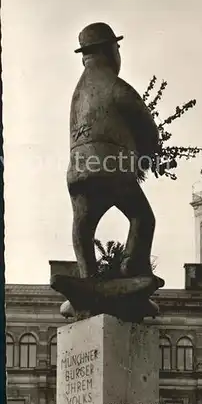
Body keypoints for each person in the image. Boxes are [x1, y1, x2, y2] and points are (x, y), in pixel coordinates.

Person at [67, 22, 160, 280]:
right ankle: (132, 264)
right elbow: (146, 124)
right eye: (116, 47)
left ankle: (88, 276)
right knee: (143, 218)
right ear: (108, 50)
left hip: (77, 172)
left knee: (83, 228)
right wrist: (148, 151)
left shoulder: (78, 94)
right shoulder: (113, 84)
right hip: (111, 168)